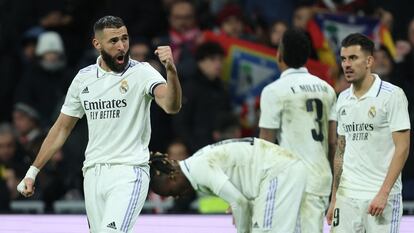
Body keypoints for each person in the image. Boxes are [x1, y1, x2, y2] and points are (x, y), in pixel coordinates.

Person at [17, 15, 182, 232]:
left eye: (125, 38)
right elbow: (61, 128)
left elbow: (171, 106)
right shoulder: (83, 79)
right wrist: (32, 172)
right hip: (93, 174)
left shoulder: (142, 72)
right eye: (114, 41)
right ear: (97, 44)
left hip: (129, 172)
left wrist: (171, 71)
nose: (122, 46)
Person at [326, 33, 411, 232]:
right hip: (347, 197)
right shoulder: (343, 99)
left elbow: (403, 147)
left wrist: (384, 193)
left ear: (369, 61)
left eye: (353, 58)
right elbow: (341, 151)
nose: (346, 64)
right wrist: (334, 199)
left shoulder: (392, 95)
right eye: (344, 59)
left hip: (381, 198)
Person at [258, 28, 337, 233]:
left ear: (279, 54)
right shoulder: (327, 89)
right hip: (321, 177)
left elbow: (265, 143)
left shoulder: (274, 91)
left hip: (292, 182)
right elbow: (333, 142)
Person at [149, 137, 306, 233]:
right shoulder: (197, 163)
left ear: (173, 177)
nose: (176, 196)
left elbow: (240, 203)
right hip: (278, 172)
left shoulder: (199, 168)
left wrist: (239, 211)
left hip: (278, 171)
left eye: (171, 192)